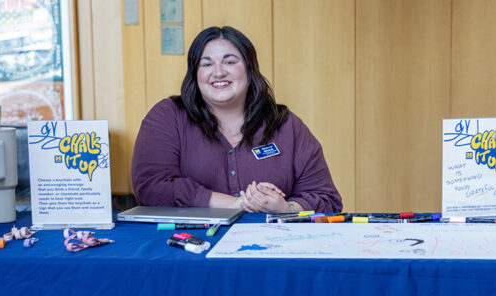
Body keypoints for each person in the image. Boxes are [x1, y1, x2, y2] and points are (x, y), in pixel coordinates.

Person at [131, 26, 342, 213]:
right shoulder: (167, 117)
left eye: (230, 62)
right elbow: (151, 188)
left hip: (269, 248)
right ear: (195, 74)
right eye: (206, 64)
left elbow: (327, 200)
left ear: (250, 69)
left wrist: (286, 208)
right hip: (189, 247)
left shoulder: (287, 125)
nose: (219, 72)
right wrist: (236, 204)